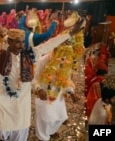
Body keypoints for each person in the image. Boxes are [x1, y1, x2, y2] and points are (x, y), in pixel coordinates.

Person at [0, 15, 84, 141]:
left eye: (23, 42)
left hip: (22, 109)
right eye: (17, 42)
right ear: (9, 42)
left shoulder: (30, 56)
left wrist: (70, 34)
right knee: (2, 133)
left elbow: (49, 45)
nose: (21, 45)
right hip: (3, 107)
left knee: (21, 136)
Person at [32, 11, 85, 141]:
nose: (65, 53)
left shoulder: (67, 61)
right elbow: (32, 77)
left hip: (58, 95)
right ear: (57, 46)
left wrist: (71, 92)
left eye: (69, 49)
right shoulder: (44, 59)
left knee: (60, 117)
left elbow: (65, 79)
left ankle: (50, 131)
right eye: (63, 48)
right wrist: (38, 89)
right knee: (44, 119)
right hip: (43, 93)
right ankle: (42, 137)